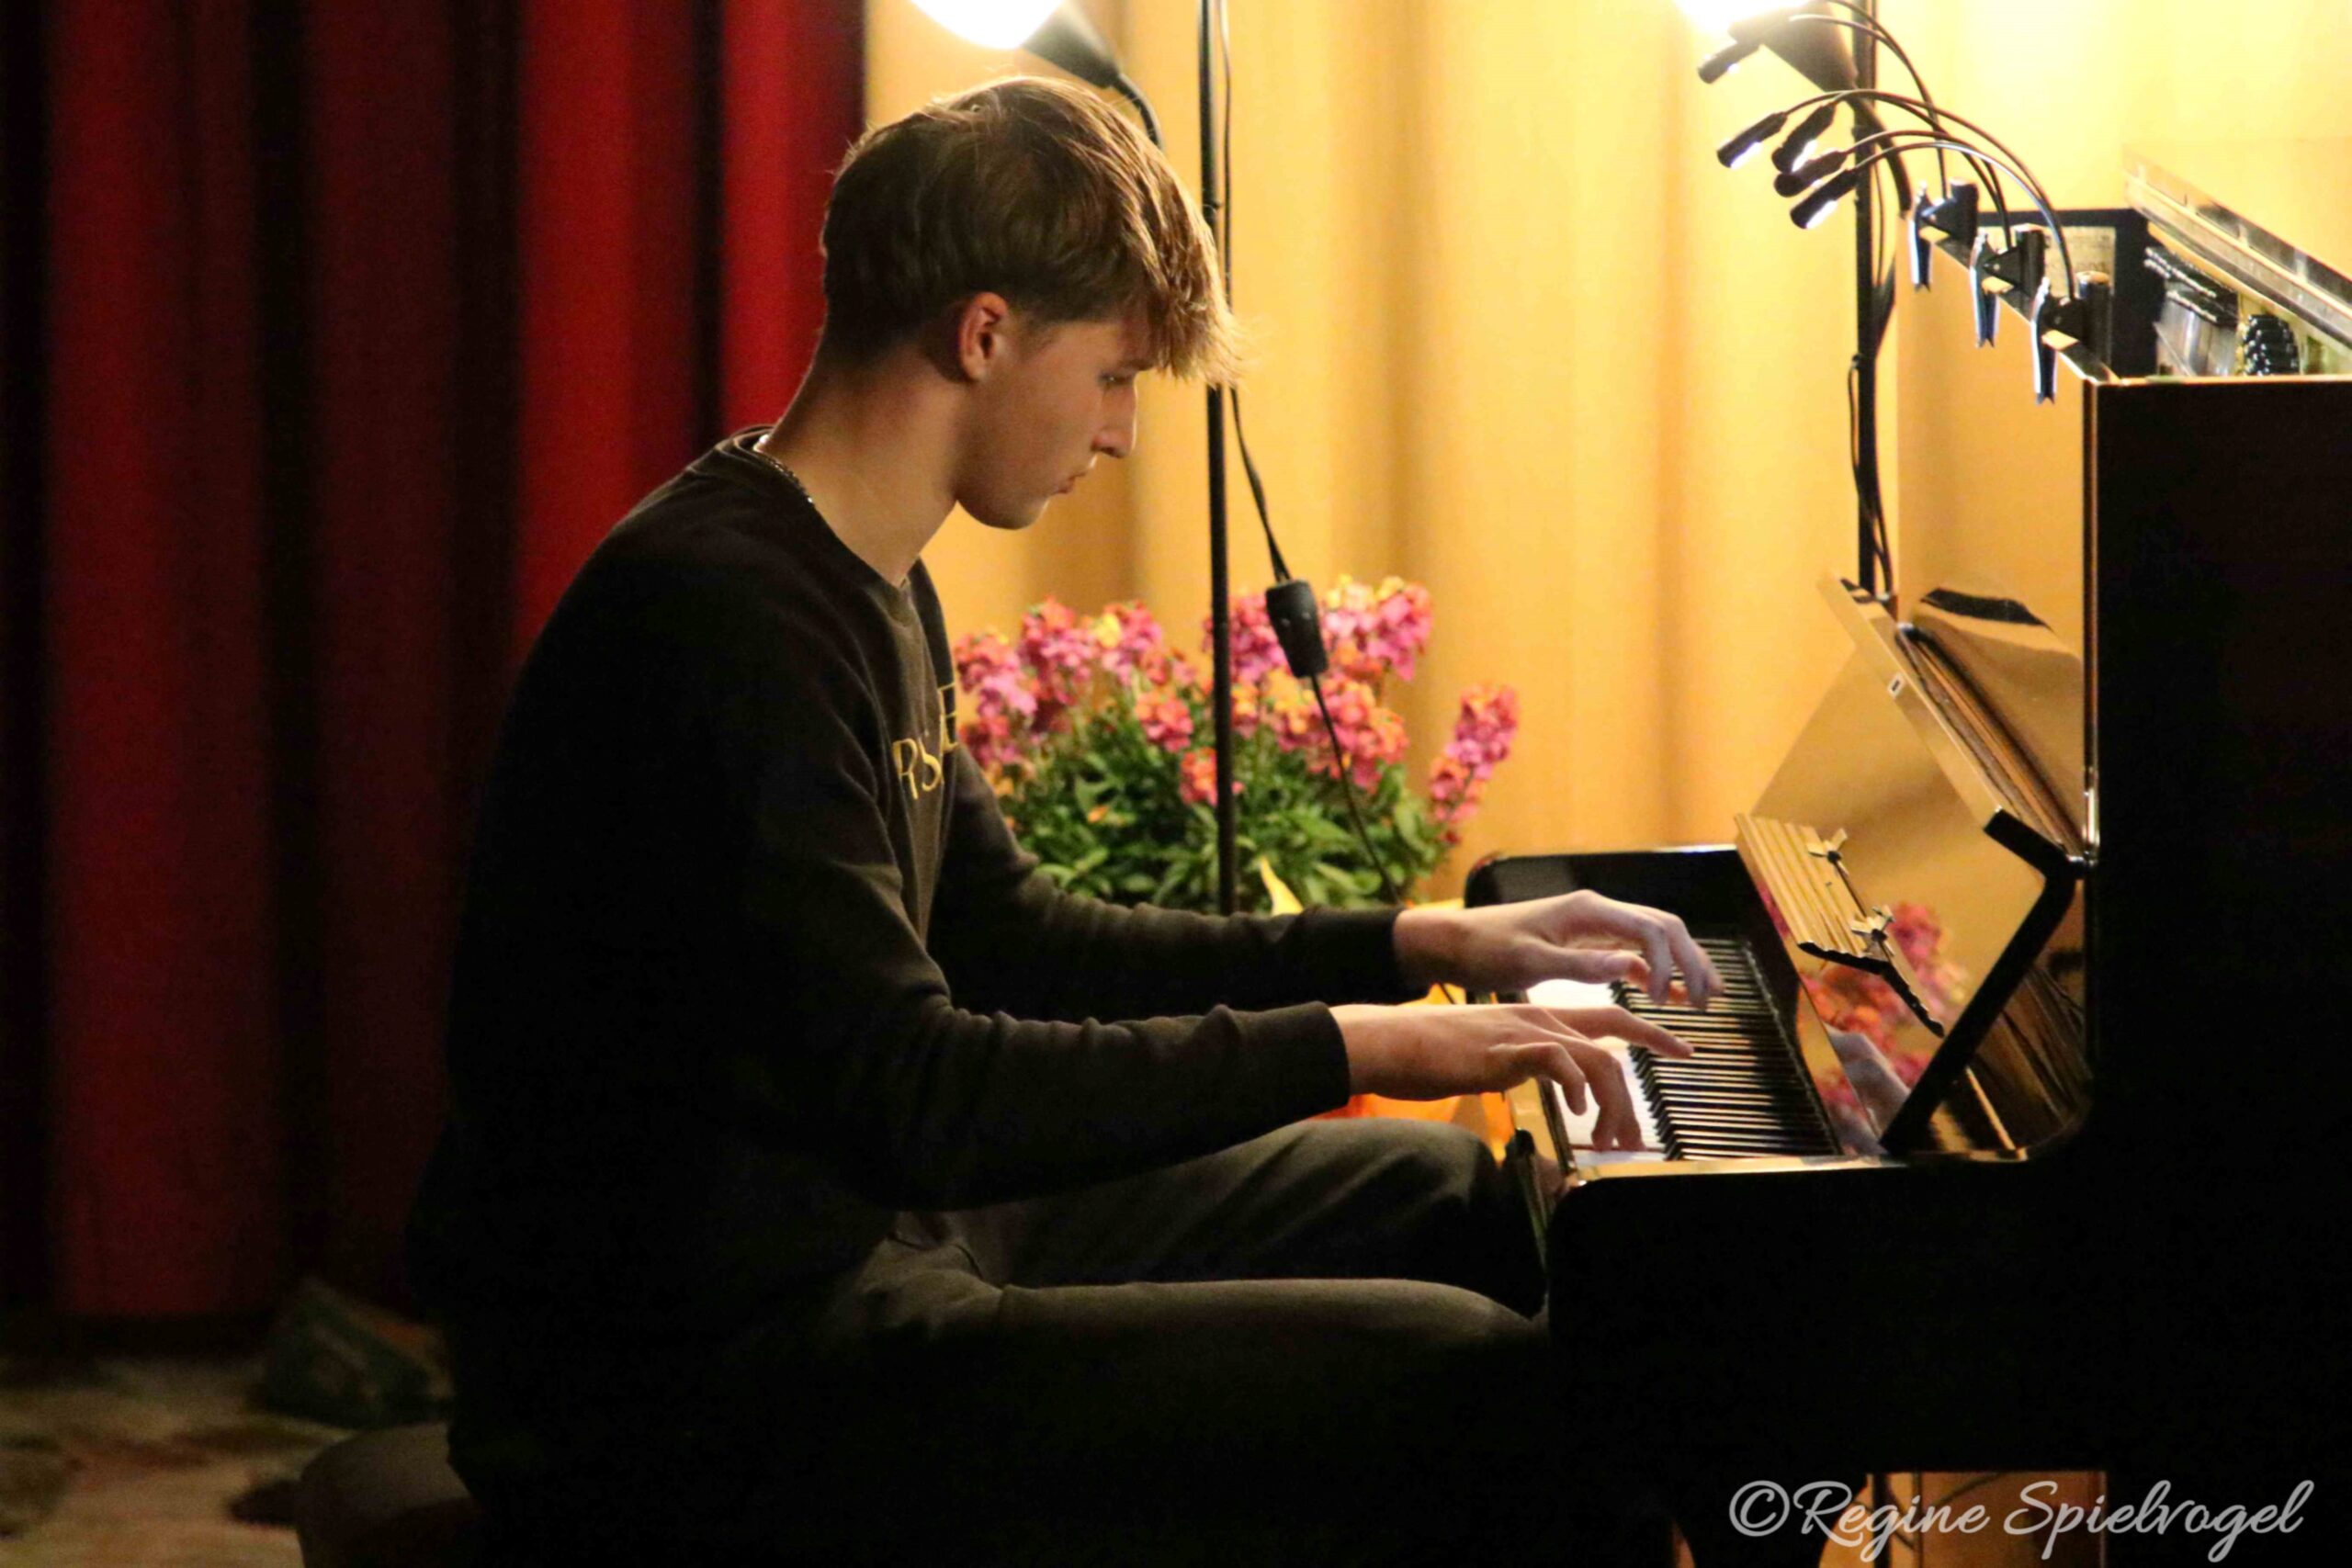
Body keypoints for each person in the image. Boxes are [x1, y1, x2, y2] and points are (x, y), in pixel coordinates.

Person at [405, 75, 1724, 1565]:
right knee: (1483, 1390)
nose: (1122, 435)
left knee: (1445, 1198)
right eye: (1113, 376)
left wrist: (1418, 946)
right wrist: (1362, 1044)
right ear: (983, 333)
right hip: (696, 1383)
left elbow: (1015, 936)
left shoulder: (855, 575)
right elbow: (922, 1094)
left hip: (864, 1236)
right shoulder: (721, 621)